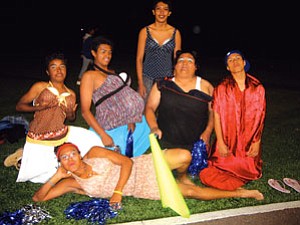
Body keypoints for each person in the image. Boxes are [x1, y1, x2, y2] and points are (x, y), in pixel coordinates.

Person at [32, 142, 264, 204]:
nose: (70, 159)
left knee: (185, 156)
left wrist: (117, 191)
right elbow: (38, 198)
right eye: (64, 157)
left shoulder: (94, 152)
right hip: (143, 187)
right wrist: (56, 176)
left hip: (142, 165)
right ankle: (243, 194)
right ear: (61, 163)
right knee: (194, 192)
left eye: (72, 153)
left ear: (80, 154)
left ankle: (182, 174)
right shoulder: (73, 183)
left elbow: (126, 163)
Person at [14, 52, 103, 183]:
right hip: (39, 137)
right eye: (53, 67)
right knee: (43, 178)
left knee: (92, 139)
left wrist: (70, 112)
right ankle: (21, 156)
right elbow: (19, 106)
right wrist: (39, 107)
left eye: (62, 66)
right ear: (47, 71)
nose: (58, 70)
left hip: (61, 134)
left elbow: (71, 118)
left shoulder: (71, 93)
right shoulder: (40, 87)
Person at [200, 50, 266, 191]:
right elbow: (216, 115)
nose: (235, 61)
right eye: (230, 60)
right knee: (208, 173)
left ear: (244, 63)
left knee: (250, 171)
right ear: (227, 67)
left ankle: (234, 181)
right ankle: (232, 182)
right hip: (228, 141)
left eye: (237, 58)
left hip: (249, 142)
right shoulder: (222, 88)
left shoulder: (257, 87)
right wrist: (221, 143)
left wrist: (257, 141)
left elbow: (261, 115)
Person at [80, 36, 150, 156]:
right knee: (115, 153)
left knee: (148, 125)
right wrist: (103, 135)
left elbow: (122, 98)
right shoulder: (89, 76)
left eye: (109, 52)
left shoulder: (112, 72)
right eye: (103, 51)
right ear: (93, 53)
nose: (107, 55)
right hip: (108, 125)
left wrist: (131, 119)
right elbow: (85, 111)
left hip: (126, 121)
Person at [145, 50, 214, 151]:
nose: (184, 63)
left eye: (190, 61)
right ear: (175, 66)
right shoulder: (163, 84)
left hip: (196, 142)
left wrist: (208, 131)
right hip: (164, 140)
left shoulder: (206, 86)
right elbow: (150, 107)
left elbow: (214, 112)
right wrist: (154, 127)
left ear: (196, 67)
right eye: (181, 60)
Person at [136, 0, 181, 101]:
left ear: (169, 13)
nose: (161, 13)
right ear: (153, 12)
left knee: (166, 110)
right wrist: (140, 82)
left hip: (167, 77)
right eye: (158, 9)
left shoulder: (175, 33)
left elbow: (177, 59)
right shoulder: (145, 31)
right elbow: (139, 59)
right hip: (147, 76)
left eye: (165, 9)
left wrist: (176, 79)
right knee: (141, 108)